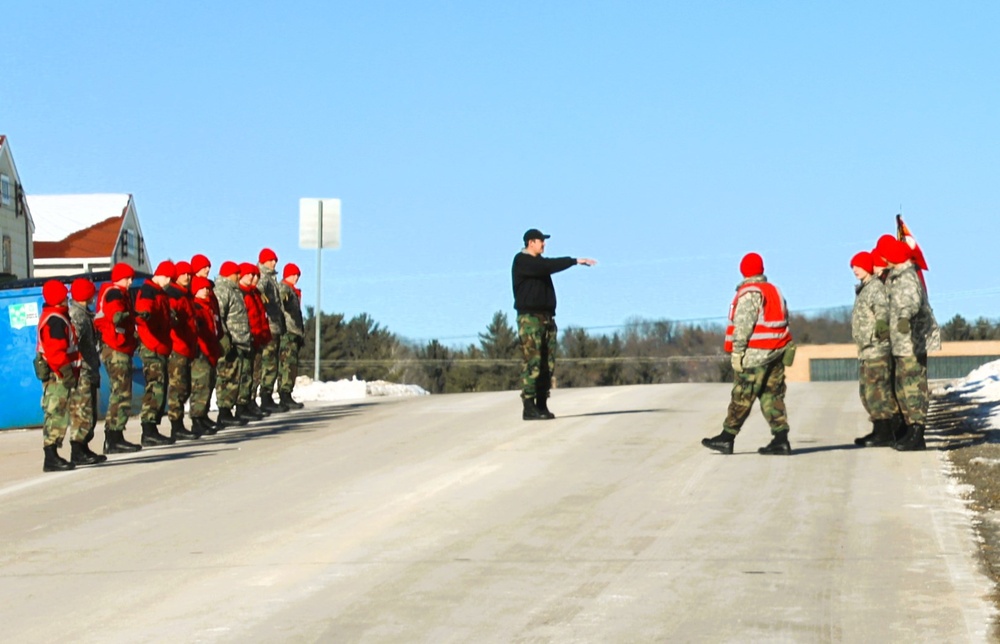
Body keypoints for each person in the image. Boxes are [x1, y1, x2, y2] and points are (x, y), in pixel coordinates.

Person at [702, 253, 795, 455]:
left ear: (743, 271)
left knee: (742, 396)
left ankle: (727, 438)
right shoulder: (774, 291)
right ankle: (781, 439)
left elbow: (743, 325)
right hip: (776, 352)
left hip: (755, 355)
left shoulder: (749, 292)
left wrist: (737, 352)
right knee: (773, 396)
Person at [511, 228, 596, 420]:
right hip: (530, 319)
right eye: (541, 241)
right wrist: (573, 261)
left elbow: (546, 265)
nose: (544, 244)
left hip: (547, 319)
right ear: (530, 242)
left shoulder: (539, 264)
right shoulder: (522, 261)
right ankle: (529, 406)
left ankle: (541, 404)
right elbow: (546, 266)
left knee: (547, 365)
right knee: (533, 362)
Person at [878, 236, 941, 451]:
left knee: (914, 387)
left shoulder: (907, 277)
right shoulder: (894, 277)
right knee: (903, 387)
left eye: (884, 254)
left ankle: (917, 431)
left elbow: (912, 301)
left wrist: (904, 317)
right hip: (900, 342)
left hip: (912, 342)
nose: (882, 258)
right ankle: (909, 428)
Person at [849, 251, 900, 447]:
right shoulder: (864, 289)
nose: (855, 270)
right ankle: (879, 429)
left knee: (877, 390)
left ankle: (885, 431)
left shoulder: (875, 289)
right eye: (853, 267)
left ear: (868, 267)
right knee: (868, 391)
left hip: (877, 347)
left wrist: (881, 325)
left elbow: (882, 309)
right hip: (867, 348)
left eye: (858, 266)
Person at [95, 263, 144, 450]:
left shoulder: (116, 292)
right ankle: (114, 437)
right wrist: (131, 315)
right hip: (115, 347)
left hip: (118, 346)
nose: (130, 282)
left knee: (121, 391)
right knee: (121, 392)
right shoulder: (115, 293)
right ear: (118, 278)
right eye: (127, 278)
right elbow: (115, 315)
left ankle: (115, 436)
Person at [37, 280, 80, 471]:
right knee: (56, 414)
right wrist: (67, 373)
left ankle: (53, 455)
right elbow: (56, 352)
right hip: (58, 376)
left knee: (58, 414)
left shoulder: (57, 317)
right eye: (65, 295)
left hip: (59, 374)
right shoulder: (55, 319)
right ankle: (51, 457)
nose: (67, 298)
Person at [134, 260, 175, 448]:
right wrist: (146, 315)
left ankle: (152, 428)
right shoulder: (149, 290)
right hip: (152, 346)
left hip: (160, 345)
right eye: (167, 277)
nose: (168, 281)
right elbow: (143, 312)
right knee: (155, 388)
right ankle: (148, 429)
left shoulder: (160, 293)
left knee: (160, 387)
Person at [67, 278, 106, 465]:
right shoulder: (77, 316)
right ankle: (78, 449)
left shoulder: (85, 314)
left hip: (89, 368)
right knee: (82, 411)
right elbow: (74, 342)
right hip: (82, 370)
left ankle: (83, 447)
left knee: (89, 411)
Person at [165, 261, 201, 441]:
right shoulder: (174, 295)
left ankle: (179, 424)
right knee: (178, 388)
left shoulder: (186, 295)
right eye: (183, 274)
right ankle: (176, 425)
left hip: (187, 347)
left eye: (189, 274)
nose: (187, 277)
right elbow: (170, 316)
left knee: (185, 387)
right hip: (177, 347)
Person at [214, 261, 252, 426]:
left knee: (236, 377)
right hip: (231, 341)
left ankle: (229, 410)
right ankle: (224, 411)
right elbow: (219, 315)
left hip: (240, 340)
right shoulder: (223, 290)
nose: (239, 277)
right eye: (237, 274)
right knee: (227, 377)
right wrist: (225, 339)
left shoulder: (233, 291)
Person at [190, 276, 222, 435]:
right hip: (201, 352)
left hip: (210, 350)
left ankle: (203, 415)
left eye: (208, 288)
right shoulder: (196, 307)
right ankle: (196, 418)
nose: (206, 291)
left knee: (209, 383)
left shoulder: (208, 307)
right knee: (200, 385)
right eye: (203, 288)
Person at [257, 248, 287, 412]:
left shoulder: (271, 277)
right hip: (269, 326)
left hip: (275, 325)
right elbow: (259, 290)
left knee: (272, 362)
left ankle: (267, 396)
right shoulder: (264, 277)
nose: (274, 263)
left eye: (275, 260)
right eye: (271, 260)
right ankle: (265, 397)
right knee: (269, 363)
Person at [239, 263, 269, 420]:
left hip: (258, 338)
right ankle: (243, 404)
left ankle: (251, 401)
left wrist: (265, 335)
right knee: (246, 373)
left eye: (256, 275)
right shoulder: (242, 294)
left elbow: (261, 317)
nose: (254, 278)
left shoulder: (255, 293)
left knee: (255, 374)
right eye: (251, 274)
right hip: (248, 338)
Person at [277, 262, 305, 409]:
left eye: (297, 275)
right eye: (293, 274)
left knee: (291, 364)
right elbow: (280, 304)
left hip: (294, 331)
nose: (296, 278)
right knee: (287, 364)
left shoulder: (293, 290)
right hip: (288, 331)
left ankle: (286, 393)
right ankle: (284, 394)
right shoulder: (285, 289)